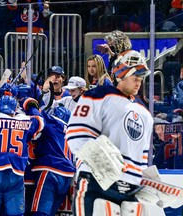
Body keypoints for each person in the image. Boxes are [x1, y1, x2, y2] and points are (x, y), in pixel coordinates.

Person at [66, 50, 154, 215]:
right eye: (135, 78)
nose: (139, 83)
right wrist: (99, 166)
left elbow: (141, 157)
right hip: (97, 180)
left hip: (130, 187)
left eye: (141, 79)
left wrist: (145, 181)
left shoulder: (145, 114)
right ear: (121, 75)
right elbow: (76, 135)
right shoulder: (98, 95)